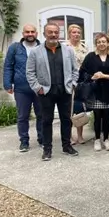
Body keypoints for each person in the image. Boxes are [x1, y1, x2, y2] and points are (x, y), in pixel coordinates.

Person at [26, 22, 79, 161]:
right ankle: (47, 149)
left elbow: (75, 70)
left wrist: (73, 84)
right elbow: (30, 73)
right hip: (46, 92)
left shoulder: (68, 51)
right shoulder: (35, 52)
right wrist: (38, 88)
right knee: (46, 121)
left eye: (56, 32)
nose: (54, 34)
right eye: (50, 32)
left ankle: (67, 146)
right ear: (44, 34)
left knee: (66, 120)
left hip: (65, 91)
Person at [3, 24, 43, 152]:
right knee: (22, 116)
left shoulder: (42, 47)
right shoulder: (15, 48)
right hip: (21, 88)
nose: (30, 34)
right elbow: (8, 66)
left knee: (41, 115)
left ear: (36, 33)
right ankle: (24, 141)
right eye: (27, 32)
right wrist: (7, 84)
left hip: (39, 87)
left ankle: (42, 139)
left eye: (32, 31)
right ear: (23, 33)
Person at [79, 33, 109, 152]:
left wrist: (105, 76)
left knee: (106, 117)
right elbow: (82, 73)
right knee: (97, 116)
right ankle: (96, 139)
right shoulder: (90, 56)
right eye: (99, 42)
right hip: (95, 91)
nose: (101, 44)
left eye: (104, 42)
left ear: (108, 43)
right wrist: (92, 77)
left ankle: (106, 139)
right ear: (96, 44)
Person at [66, 24, 88, 145]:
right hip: (68, 81)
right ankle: (68, 136)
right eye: (74, 32)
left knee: (79, 109)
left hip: (81, 81)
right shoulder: (64, 47)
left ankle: (80, 135)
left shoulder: (84, 47)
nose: (76, 34)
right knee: (68, 110)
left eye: (78, 32)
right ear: (69, 34)